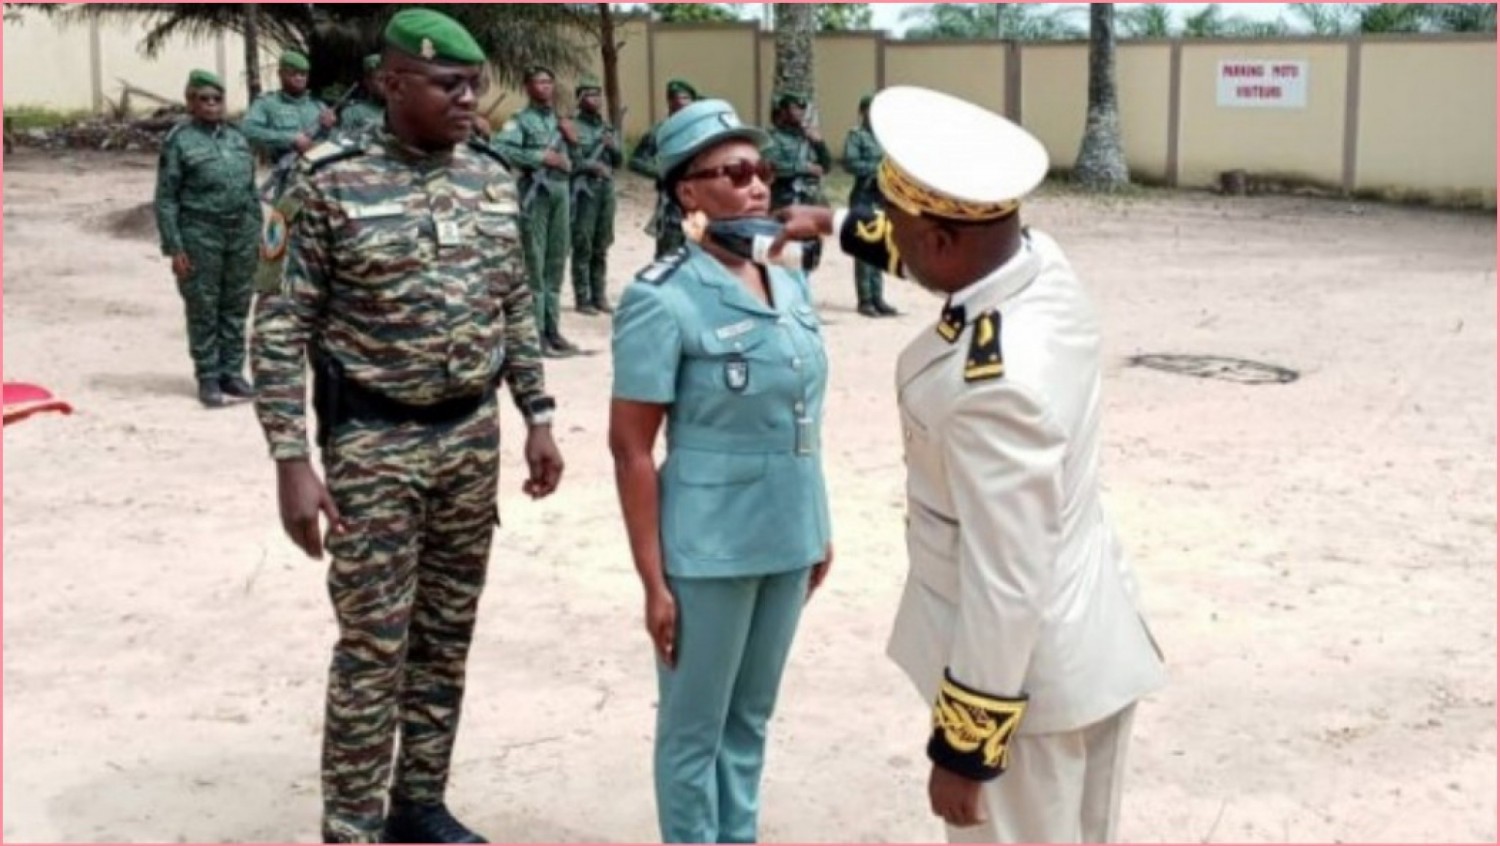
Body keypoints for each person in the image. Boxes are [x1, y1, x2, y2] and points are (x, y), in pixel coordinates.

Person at [773, 86, 1166, 843]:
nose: (895, 238)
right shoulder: (1041, 265)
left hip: (1025, 692)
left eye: (903, 229)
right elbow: (941, 255)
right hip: (1087, 645)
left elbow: (1006, 577)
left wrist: (966, 749)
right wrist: (830, 223)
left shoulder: (998, 388)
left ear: (942, 242)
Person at [249, 9, 565, 843]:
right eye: (448, 85)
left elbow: (514, 304)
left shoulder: (491, 179)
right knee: (373, 644)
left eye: (474, 86)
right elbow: (278, 327)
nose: (468, 101)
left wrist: (536, 413)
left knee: (446, 634)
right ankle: (352, 823)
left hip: (470, 441)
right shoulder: (324, 181)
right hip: (372, 445)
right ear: (391, 83)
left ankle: (419, 803)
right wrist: (291, 459)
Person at [609, 99, 833, 844]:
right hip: (707, 547)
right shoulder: (661, 296)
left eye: (761, 169)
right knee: (694, 730)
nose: (757, 185)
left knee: (750, 721)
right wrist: (653, 580)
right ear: (688, 191)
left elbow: (802, 419)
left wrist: (818, 524)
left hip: (787, 535)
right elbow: (631, 449)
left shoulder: (785, 277)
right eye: (734, 173)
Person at [153, 69, 260, 408]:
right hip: (200, 234)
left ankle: (232, 372)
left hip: (241, 233)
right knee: (203, 306)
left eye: (217, 99)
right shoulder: (179, 141)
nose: (212, 105)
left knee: (236, 304)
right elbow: (166, 198)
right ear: (190, 102)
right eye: (204, 99)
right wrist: (174, 246)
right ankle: (208, 376)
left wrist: (256, 232)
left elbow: (251, 190)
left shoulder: (237, 137)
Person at [492, 65, 579, 357]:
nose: (545, 87)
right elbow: (500, 148)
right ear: (528, 87)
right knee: (535, 264)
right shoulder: (520, 120)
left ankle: (553, 330)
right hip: (535, 194)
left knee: (556, 260)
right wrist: (539, 156)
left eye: (549, 82)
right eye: (539, 82)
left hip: (561, 192)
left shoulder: (560, 121)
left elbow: (577, 160)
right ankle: (536, 334)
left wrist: (573, 142)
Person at [567, 75, 622, 316]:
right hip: (584, 190)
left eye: (598, 94)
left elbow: (620, 161)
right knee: (583, 242)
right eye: (589, 94)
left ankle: (599, 295)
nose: (595, 99)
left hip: (606, 190)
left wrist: (612, 146)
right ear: (579, 99)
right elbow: (569, 161)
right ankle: (583, 297)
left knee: (602, 242)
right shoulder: (572, 127)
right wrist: (590, 165)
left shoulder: (606, 128)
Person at [841, 93, 898, 318]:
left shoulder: (886, 136)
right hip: (864, 196)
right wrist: (877, 170)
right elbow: (850, 162)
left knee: (879, 248)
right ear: (863, 112)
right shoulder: (857, 136)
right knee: (864, 249)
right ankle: (865, 300)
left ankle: (878, 297)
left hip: (882, 197)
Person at [628, 78, 698, 258]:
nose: (682, 103)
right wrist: (659, 171)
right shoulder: (660, 131)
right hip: (670, 204)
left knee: (697, 254)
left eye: (686, 98)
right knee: (668, 256)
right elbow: (635, 161)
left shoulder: (701, 130)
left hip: (699, 204)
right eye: (677, 98)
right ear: (669, 102)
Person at [242, 51, 335, 163]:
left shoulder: (317, 105)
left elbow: (333, 140)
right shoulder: (266, 103)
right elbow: (249, 130)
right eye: (293, 73)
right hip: (284, 166)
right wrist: (290, 139)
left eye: (303, 74)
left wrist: (328, 128)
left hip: (319, 165)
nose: (299, 78)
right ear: (280, 74)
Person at [763, 90, 831, 213]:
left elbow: (826, 167)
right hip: (784, 196)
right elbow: (774, 166)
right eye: (795, 108)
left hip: (810, 197)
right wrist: (805, 168)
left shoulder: (807, 136)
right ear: (783, 111)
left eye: (803, 108)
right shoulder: (773, 137)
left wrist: (819, 144)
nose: (801, 112)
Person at [337, 54, 387, 137]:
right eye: (380, 79)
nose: (386, 84)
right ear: (368, 82)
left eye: (388, 79)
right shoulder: (353, 113)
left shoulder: (399, 113)